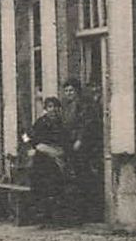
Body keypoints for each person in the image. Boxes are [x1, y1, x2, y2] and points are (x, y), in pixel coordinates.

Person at [23, 95, 70, 223]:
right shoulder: (40, 123)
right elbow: (27, 136)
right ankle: (43, 212)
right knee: (42, 177)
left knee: (56, 181)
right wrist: (32, 147)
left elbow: (65, 142)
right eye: (50, 107)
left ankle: (52, 213)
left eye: (56, 107)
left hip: (58, 157)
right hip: (43, 158)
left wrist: (59, 151)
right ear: (45, 109)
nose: (53, 110)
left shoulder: (61, 124)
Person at [62, 79, 103, 223]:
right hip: (71, 146)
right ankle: (80, 213)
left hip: (85, 147)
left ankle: (91, 213)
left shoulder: (84, 105)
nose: (69, 93)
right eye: (66, 91)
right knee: (77, 179)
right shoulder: (67, 107)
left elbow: (85, 124)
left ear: (77, 91)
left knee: (86, 178)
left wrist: (80, 140)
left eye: (71, 91)